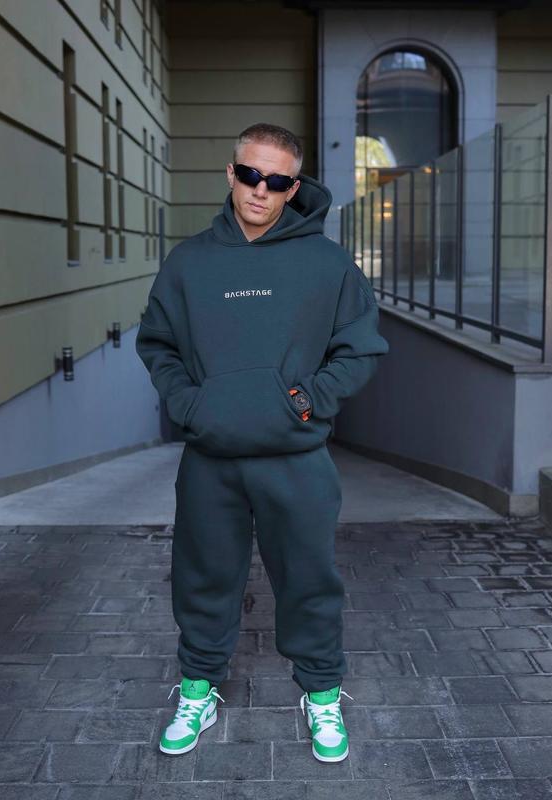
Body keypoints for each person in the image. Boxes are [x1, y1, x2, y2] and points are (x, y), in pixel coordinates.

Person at [135, 122, 390, 763]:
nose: (260, 190)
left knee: (309, 580)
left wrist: (307, 401)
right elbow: (158, 345)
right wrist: (191, 405)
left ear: (293, 187)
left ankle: (322, 694)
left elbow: (360, 348)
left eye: (276, 181)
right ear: (231, 173)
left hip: (296, 457)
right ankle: (197, 689)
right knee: (201, 578)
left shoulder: (325, 263)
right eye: (250, 174)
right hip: (211, 457)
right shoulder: (190, 262)